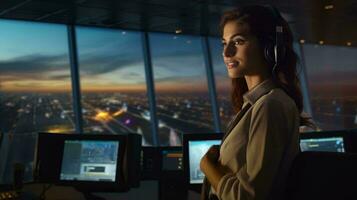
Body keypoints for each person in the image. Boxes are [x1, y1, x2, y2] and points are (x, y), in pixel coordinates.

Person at [200, 5, 314, 200]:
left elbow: (247, 196)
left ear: (269, 47)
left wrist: (208, 166)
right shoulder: (255, 103)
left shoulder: (271, 105)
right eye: (224, 43)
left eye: (238, 41)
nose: (226, 52)